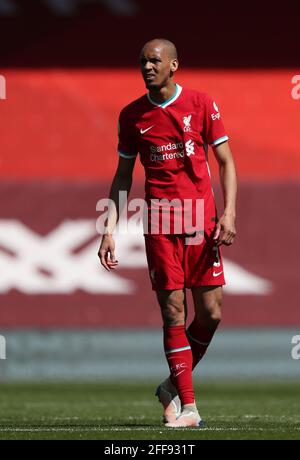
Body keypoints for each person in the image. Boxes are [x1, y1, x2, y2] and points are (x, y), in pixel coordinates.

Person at [98, 38, 237, 428]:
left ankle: (171, 385)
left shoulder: (201, 103)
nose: (147, 67)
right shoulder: (131, 116)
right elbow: (123, 176)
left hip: (202, 224)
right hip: (160, 224)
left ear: (174, 65)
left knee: (211, 313)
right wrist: (109, 229)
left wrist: (228, 212)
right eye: (142, 61)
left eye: (155, 60)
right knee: (173, 311)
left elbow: (226, 162)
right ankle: (189, 407)